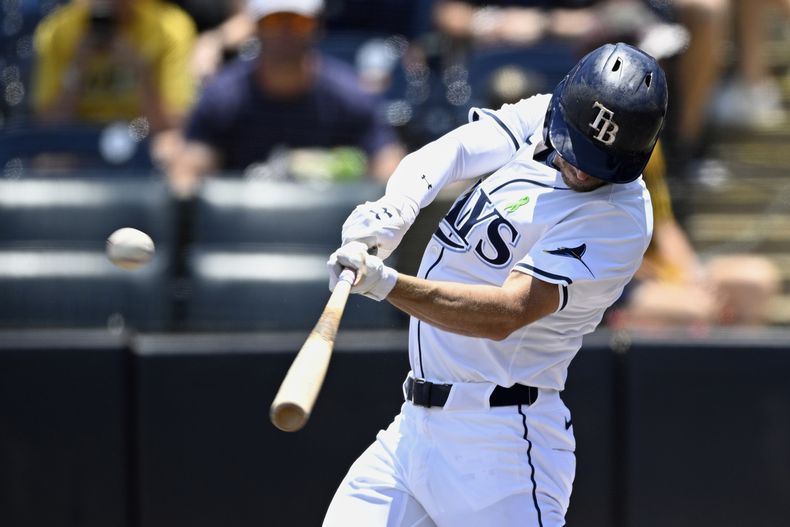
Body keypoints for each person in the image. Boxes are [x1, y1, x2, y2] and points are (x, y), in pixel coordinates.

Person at [322, 42, 667, 526]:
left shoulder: (620, 217)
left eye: (601, 159)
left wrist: (386, 284)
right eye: (579, 147)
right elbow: (457, 149)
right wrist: (396, 209)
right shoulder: (545, 115)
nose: (584, 167)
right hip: (414, 429)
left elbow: (508, 313)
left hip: (501, 444)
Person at [168, 0, 404, 197]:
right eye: (273, 21)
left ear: (318, 27)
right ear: (256, 28)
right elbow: (189, 171)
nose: (285, 31)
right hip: (241, 234)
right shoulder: (223, 96)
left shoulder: (348, 94)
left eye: (299, 22)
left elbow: (388, 163)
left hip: (327, 235)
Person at [32, 0, 196, 156]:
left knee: (170, 147)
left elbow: (174, 125)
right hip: (82, 139)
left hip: (141, 133)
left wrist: (140, 72)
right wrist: (77, 67)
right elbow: (49, 126)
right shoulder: (58, 29)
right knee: (50, 158)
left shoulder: (172, 28)